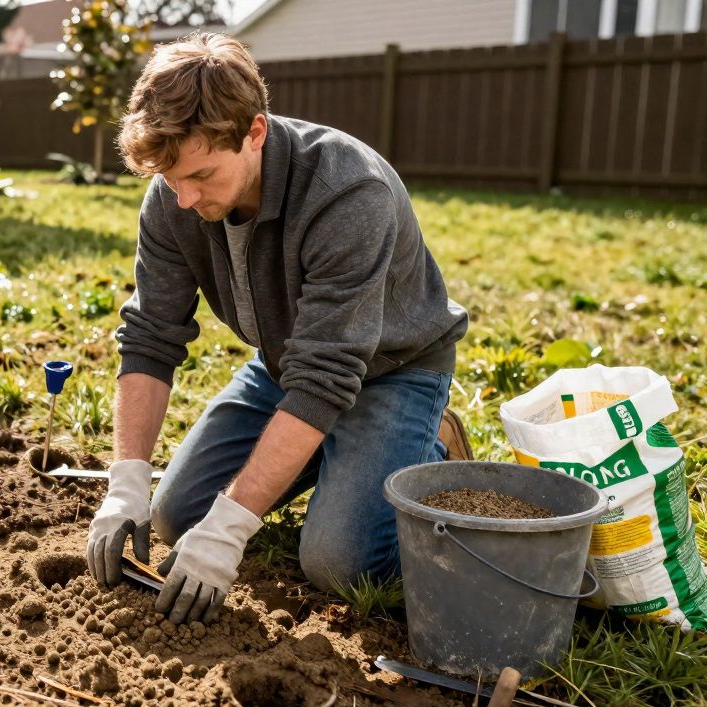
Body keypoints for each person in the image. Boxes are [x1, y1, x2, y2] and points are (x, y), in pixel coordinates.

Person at [85, 33, 470, 626]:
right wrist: (126, 480)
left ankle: (429, 441)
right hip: (288, 366)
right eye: (170, 177)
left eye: (203, 175)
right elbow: (150, 337)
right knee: (175, 516)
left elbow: (326, 378)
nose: (184, 199)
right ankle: (328, 454)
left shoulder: (346, 191)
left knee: (341, 565)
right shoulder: (173, 195)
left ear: (255, 133)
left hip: (392, 373)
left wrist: (232, 526)